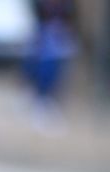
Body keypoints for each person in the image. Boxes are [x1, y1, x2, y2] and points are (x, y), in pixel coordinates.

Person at [24, 0, 77, 128]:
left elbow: (70, 14)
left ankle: (50, 99)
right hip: (45, 37)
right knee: (42, 63)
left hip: (57, 36)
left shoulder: (66, 6)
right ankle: (40, 99)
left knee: (57, 65)